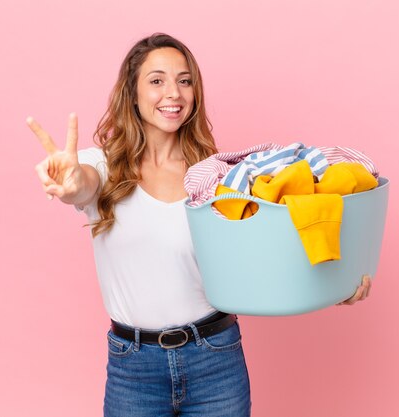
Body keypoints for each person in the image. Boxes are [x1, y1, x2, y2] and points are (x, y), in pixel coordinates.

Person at [27, 33, 371, 417]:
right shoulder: (105, 167)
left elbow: (259, 261)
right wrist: (72, 183)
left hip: (216, 359)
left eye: (184, 80)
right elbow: (82, 185)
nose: (173, 93)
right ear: (133, 93)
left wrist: (330, 286)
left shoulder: (216, 176)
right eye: (156, 81)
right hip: (133, 369)